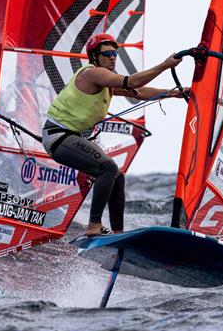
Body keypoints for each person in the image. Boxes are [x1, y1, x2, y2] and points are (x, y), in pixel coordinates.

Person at [43, 33, 187, 236]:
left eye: (115, 53)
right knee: (107, 168)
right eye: (107, 53)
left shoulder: (106, 84)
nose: (113, 57)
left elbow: (140, 92)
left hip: (70, 136)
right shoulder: (92, 74)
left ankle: (118, 233)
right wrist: (165, 64)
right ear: (95, 57)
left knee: (117, 176)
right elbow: (133, 82)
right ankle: (94, 225)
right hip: (57, 136)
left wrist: (175, 93)